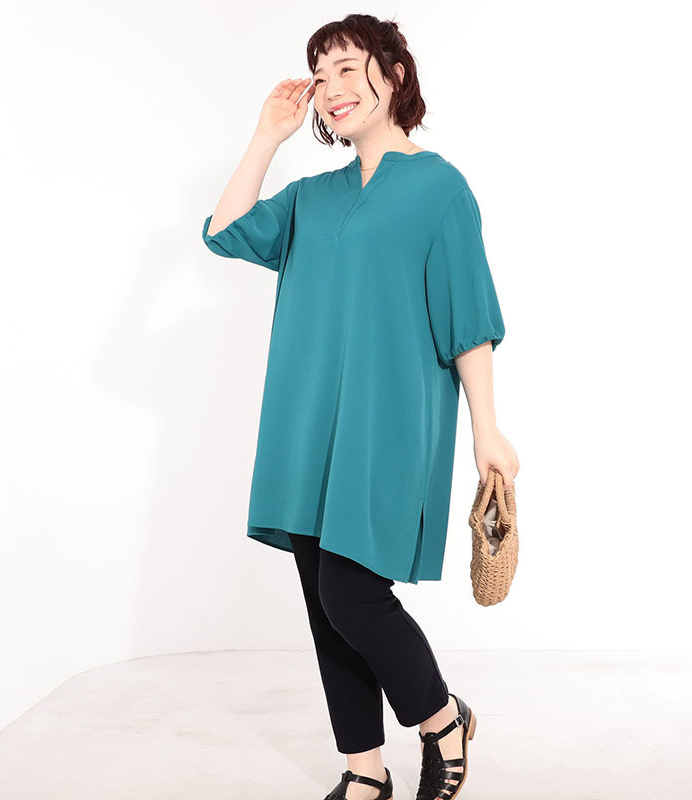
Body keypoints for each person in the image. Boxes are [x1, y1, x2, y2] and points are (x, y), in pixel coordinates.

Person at [202, 13, 519, 800]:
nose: (332, 88)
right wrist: (267, 136)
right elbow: (224, 230)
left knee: (352, 593)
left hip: (390, 421)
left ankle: (443, 720)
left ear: (394, 74)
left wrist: (487, 430)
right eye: (321, 75)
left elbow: (468, 317)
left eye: (348, 68)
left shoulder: (439, 188)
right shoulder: (312, 197)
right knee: (325, 602)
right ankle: (364, 772)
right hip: (305, 420)